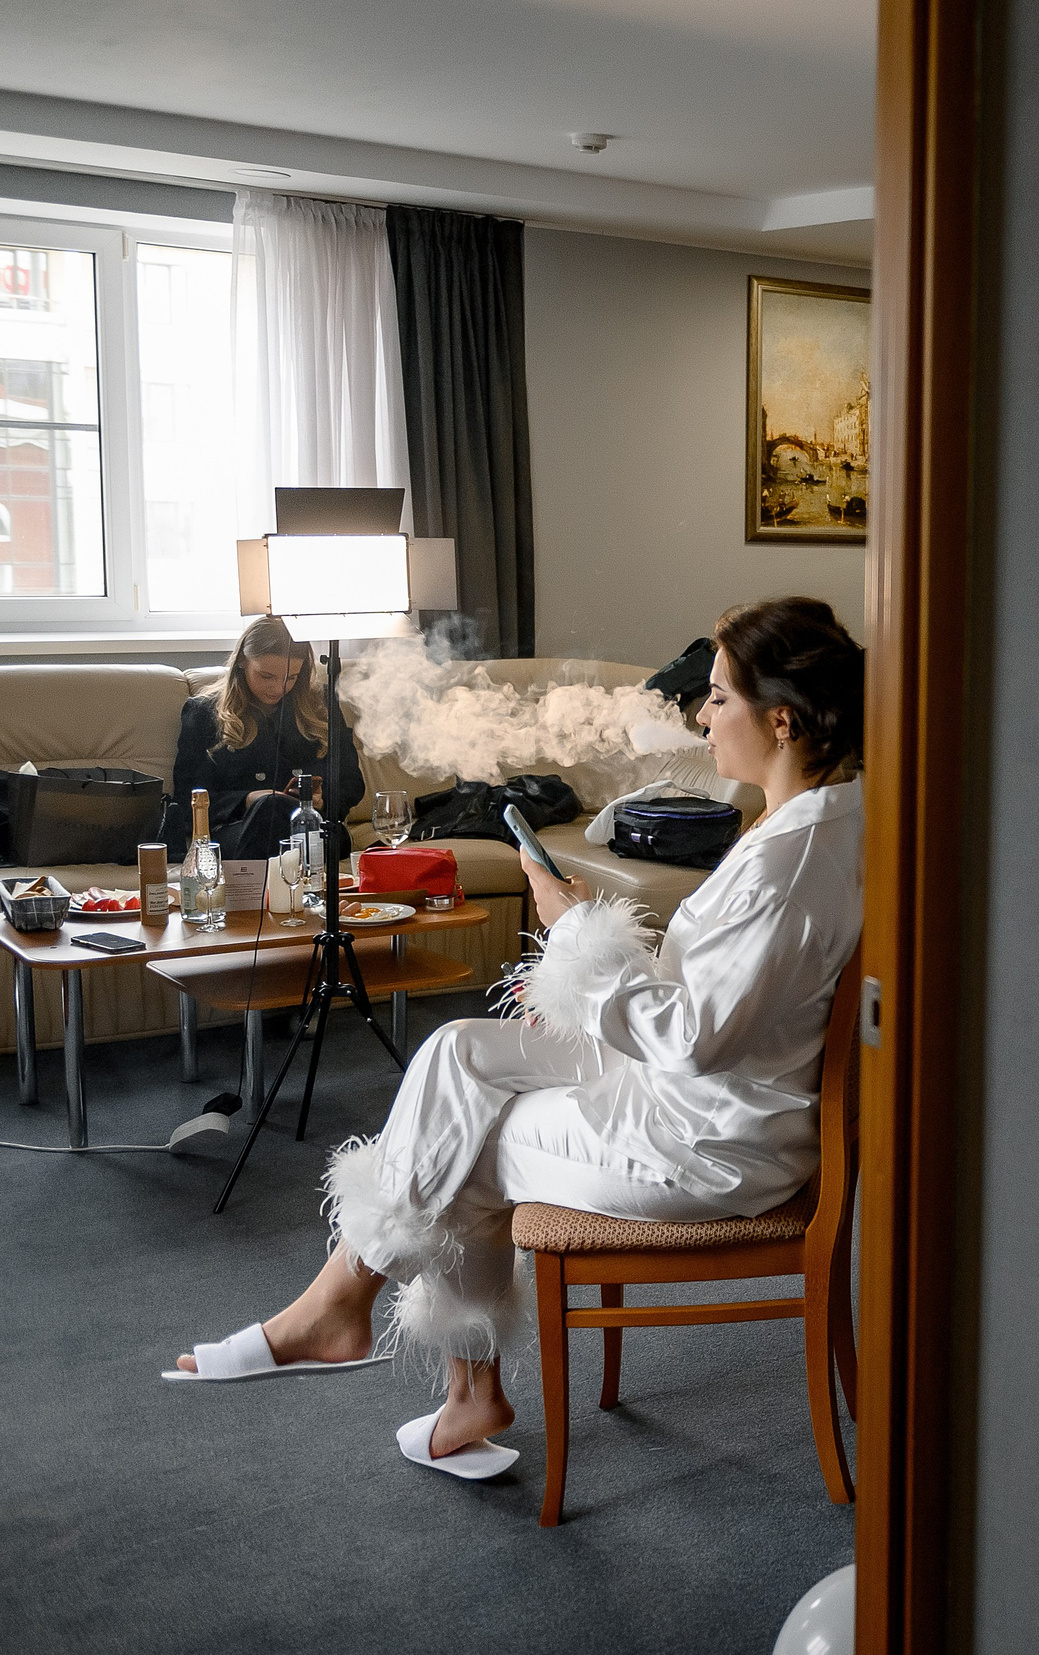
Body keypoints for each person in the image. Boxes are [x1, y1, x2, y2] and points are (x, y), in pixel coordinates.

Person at [168, 596, 866, 1470]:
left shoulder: (788, 865)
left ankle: (374, 1329)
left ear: (783, 719)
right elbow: (725, 1000)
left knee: (468, 1133)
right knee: (456, 1054)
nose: (702, 715)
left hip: (705, 1141)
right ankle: (385, 1334)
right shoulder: (825, 822)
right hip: (707, 1096)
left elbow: (695, 1037)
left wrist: (573, 931)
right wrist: (584, 936)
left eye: (719, 696)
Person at [167, 615, 363, 858]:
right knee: (269, 810)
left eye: (291, 678)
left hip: (313, 829)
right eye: (267, 676)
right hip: (238, 828)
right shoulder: (204, 712)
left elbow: (352, 784)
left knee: (314, 830)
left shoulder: (320, 706)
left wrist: (322, 801)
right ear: (242, 661)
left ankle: (268, 880)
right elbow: (187, 800)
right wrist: (248, 799)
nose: (279, 688)